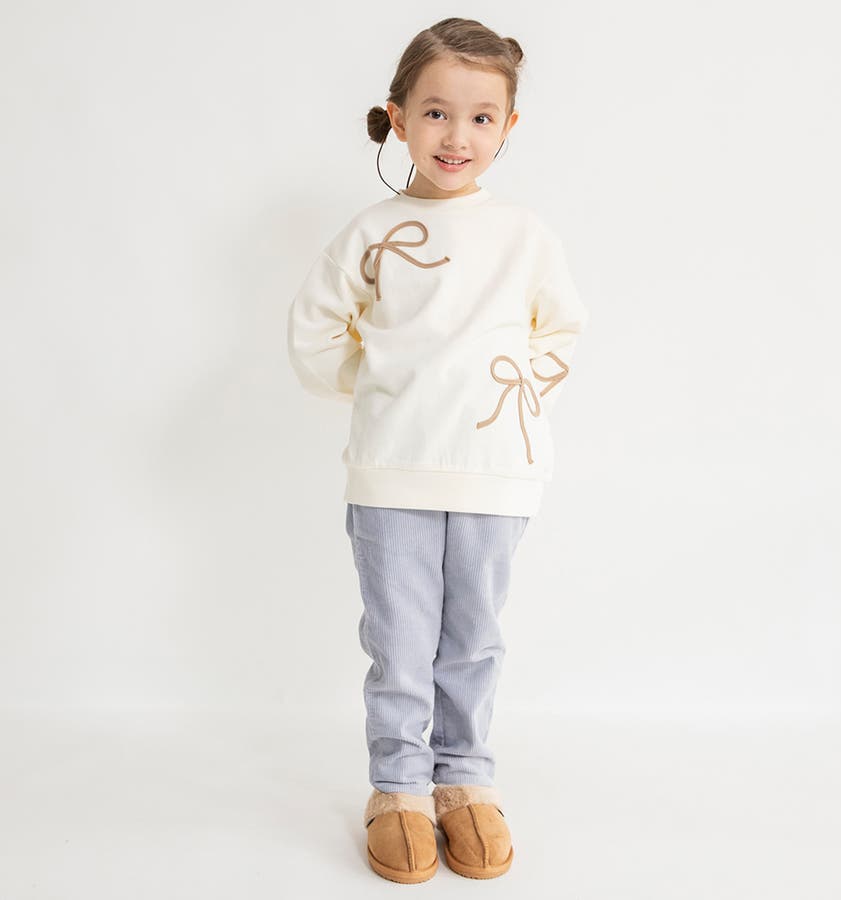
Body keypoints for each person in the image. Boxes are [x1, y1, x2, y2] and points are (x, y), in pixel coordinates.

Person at [287, 16, 590, 884]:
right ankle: (398, 787)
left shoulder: (525, 235)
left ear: (508, 126)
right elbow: (314, 337)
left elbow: (562, 332)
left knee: (474, 638)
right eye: (436, 113)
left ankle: (464, 780)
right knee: (400, 640)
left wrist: (509, 394)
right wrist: (387, 384)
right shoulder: (372, 232)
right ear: (399, 116)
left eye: (481, 117)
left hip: (498, 474)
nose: (458, 136)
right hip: (392, 473)